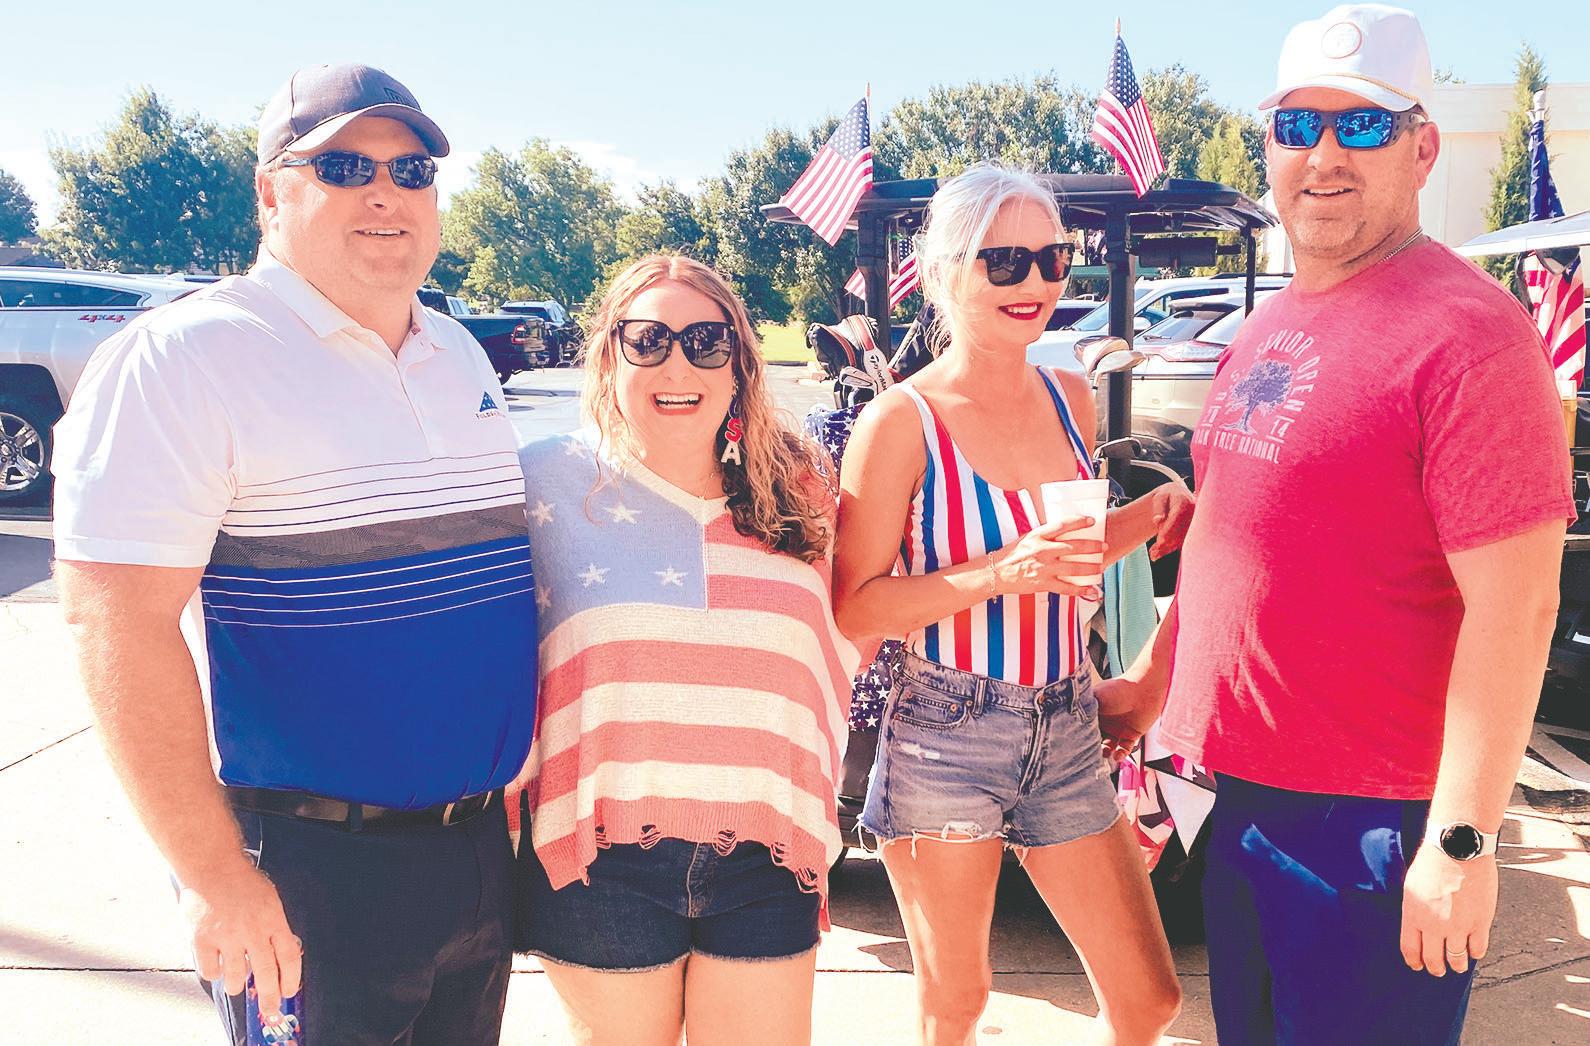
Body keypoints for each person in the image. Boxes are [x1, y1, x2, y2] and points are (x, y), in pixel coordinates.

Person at [1103, 6, 1577, 1043]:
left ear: (1423, 148)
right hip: (1235, 801)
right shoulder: (1267, 325)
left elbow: (1518, 606)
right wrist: (1147, 684)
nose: (1323, 156)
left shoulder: (1471, 337)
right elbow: (1232, 539)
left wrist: (1462, 840)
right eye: (1297, 125)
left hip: (1375, 822)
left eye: (1361, 125)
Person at [52, 64, 537, 1044]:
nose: (386, 193)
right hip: (307, 874)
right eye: (345, 167)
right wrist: (215, 876)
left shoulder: (457, 354)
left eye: (411, 170)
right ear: (271, 194)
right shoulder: (185, 358)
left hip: (478, 856)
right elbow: (116, 624)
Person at [831, 164, 1190, 1046]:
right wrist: (1000, 573)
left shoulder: (1070, 396)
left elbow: (1064, 554)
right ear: (945, 271)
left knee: (1149, 1000)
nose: (1034, 281)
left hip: (1067, 723)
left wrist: (1148, 516)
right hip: (945, 732)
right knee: (955, 1005)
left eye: (1052, 258)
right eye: (1003, 261)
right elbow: (855, 609)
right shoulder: (901, 421)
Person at [511, 254, 858, 1046]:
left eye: (707, 341)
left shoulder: (802, 489)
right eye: (649, 339)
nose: (679, 365)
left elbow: (848, 636)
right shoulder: (544, 483)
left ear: (740, 365)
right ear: (609, 356)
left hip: (769, 853)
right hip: (600, 859)